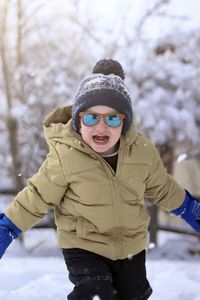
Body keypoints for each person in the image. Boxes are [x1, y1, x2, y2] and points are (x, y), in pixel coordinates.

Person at [0, 59, 200, 300]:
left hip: (131, 246)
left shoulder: (142, 151)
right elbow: (36, 197)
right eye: (92, 118)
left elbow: (163, 188)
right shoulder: (67, 156)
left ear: (124, 122)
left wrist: (190, 208)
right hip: (83, 244)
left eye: (112, 118)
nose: (102, 126)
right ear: (78, 120)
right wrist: (8, 227)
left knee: (133, 295)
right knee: (95, 292)